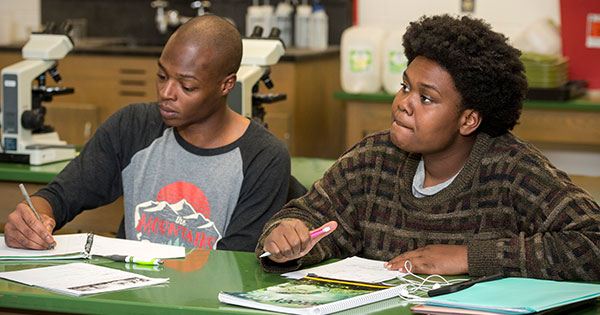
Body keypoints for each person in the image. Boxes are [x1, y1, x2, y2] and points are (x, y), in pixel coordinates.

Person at [256, 14, 600, 281]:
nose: (404, 103)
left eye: (426, 98)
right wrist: (287, 237)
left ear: (468, 120)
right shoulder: (371, 161)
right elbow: (313, 221)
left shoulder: (512, 169)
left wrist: (468, 257)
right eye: (404, 86)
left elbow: (593, 242)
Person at [5, 15, 291, 252]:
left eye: (187, 86)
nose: (166, 94)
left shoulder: (263, 157)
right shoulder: (133, 126)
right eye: (162, 76)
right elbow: (61, 196)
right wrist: (33, 217)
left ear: (226, 85)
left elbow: (234, 266)